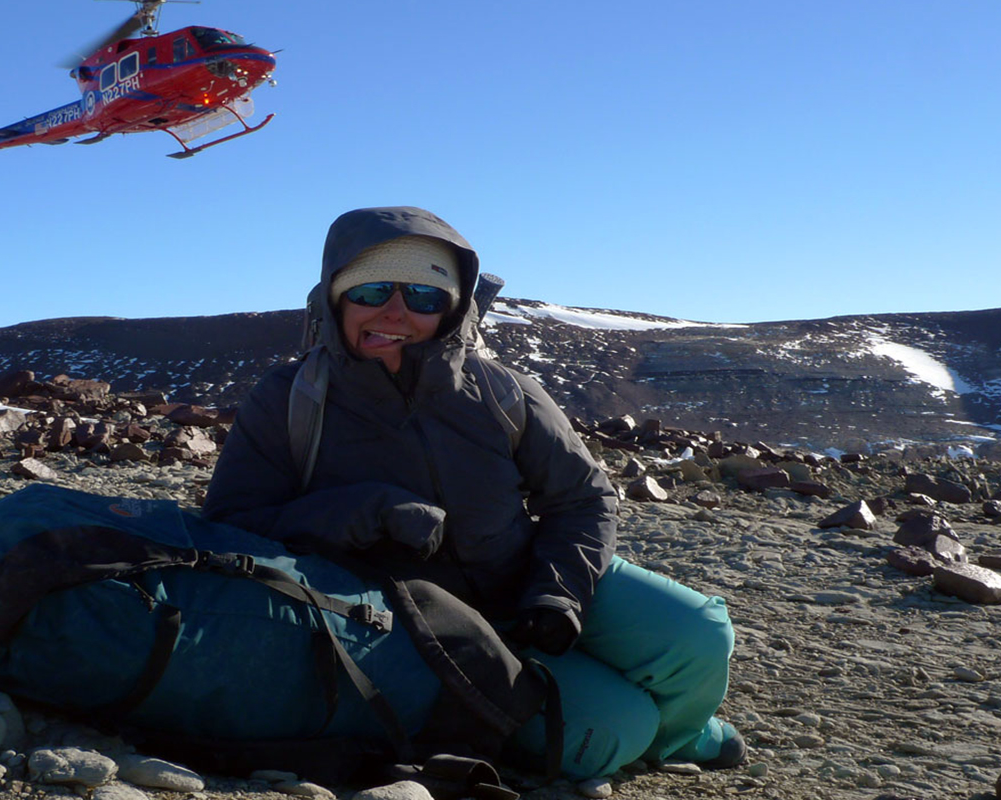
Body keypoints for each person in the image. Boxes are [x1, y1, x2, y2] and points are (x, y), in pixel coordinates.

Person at [202, 206, 741, 779]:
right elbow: (231, 524)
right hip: (413, 622)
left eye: (424, 297)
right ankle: (640, 726)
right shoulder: (290, 399)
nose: (395, 312)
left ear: (452, 307)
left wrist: (557, 594)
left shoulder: (499, 389)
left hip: (525, 577)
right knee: (604, 738)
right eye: (374, 290)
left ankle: (680, 737)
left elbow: (583, 498)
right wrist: (364, 511)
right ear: (337, 299)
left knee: (698, 633)